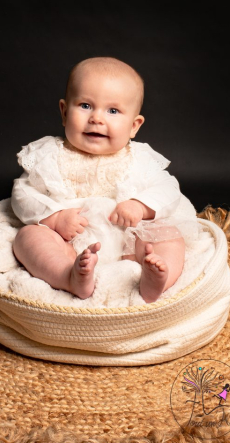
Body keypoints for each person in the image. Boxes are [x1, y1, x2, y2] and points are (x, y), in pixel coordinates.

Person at [11, 56, 198, 303]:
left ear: (134, 125)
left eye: (112, 111)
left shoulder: (140, 158)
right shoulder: (48, 155)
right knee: (28, 238)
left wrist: (139, 205)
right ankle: (69, 275)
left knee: (169, 235)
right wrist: (54, 217)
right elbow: (23, 194)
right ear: (65, 112)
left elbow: (168, 189)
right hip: (68, 240)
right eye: (86, 106)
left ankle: (155, 280)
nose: (97, 118)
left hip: (128, 238)